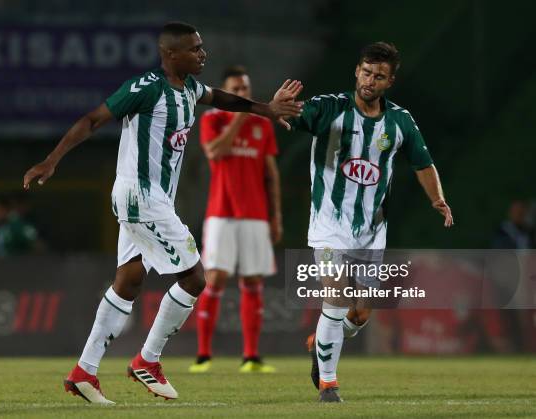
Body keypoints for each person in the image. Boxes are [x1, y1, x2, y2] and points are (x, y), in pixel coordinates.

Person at [23, 21, 302, 404]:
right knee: (194, 278)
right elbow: (93, 119)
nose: (203, 54)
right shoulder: (145, 88)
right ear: (171, 54)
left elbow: (221, 98)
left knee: (130, 280)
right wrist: (51, 160)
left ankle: (84, 372)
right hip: (141, 196)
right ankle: (147, 361)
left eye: (202, 47)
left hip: (151, 200)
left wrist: (264, 109)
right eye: (195, 49)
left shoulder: (187, 88)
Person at [287, 42, 453, 402]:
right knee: (335, 293)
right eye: (365, 71)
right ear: (356, 71)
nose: (370, 80)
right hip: (329, 225)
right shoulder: (330, 107)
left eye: (379, 76)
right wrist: (277, 109)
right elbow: (290, 116)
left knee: (360, 313)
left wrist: (436, 198)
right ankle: (328, 384)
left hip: (371, 233)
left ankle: (322, 342)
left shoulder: (400, 121)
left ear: (389, 81)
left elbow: (423, 163)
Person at [189, 66, 281, 373]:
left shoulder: (263, 126)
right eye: (236, 90)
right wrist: (240, 116)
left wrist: (275, 217)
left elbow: (271, 174)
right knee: (214, 279)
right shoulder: (212, 119)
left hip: (255, 214)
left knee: (253, 281)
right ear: (226, 92)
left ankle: (251, 357)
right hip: (221, 212)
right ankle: (203, 355)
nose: (242, 94)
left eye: (245, 89)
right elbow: (214, 153)